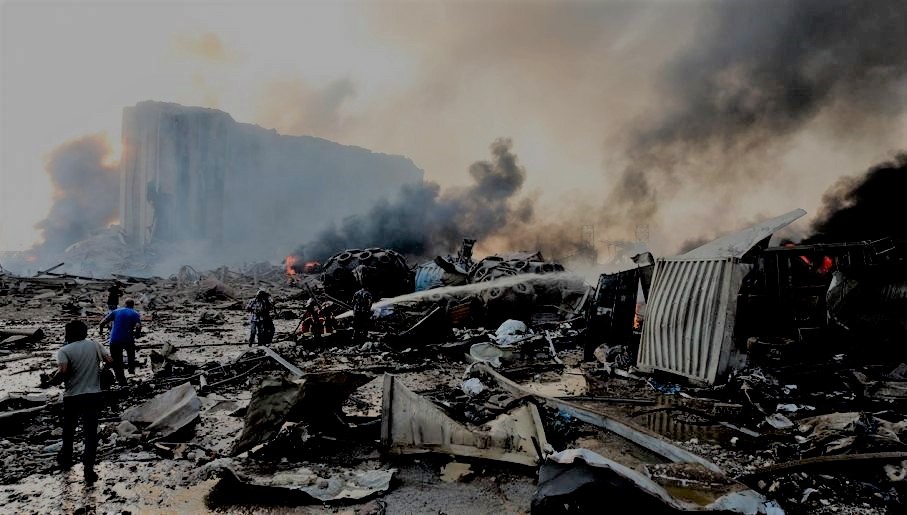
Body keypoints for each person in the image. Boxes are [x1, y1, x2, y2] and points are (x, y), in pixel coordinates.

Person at [49, 320, 112, 484]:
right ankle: (88, 468)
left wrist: (51, 381)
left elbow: (63, 371)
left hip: (72, 396)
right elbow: (109, 360)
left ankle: (66, 459)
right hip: (93, 395)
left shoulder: (64, 350)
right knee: (90, 433)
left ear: (69, 334)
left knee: (69, 430)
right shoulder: (95, 345)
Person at [99, 298, 142, 385]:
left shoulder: (116, 311)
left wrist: (101, 331)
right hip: (128, 339)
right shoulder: (135, 313)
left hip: (115, 339)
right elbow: (138, 326)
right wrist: (137, 334)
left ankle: (122, 381)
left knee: (116, 361)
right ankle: (131, 369)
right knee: (131, 353)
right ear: (133, 305)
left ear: (125, 304)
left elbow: (102, 322)